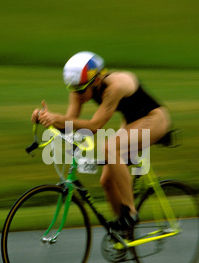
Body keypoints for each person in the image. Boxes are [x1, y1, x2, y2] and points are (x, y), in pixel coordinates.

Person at [32, 51, 170, 234]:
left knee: (109, 147)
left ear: (96, 80)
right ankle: (123, 232)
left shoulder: (115, 86)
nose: (78, 95)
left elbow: (94, 126)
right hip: (132, 122)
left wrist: (58, 119)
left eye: (81, 90)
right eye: (74, 90)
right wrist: (46, 120)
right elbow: (70, 122)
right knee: (106, 181)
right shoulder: (80, 86)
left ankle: (130, 212)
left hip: (155, 120)